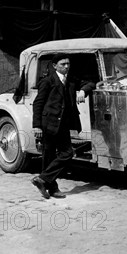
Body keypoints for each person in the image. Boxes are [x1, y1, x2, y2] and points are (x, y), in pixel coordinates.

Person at [31, 53, 95, 199]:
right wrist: (37, 126)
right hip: (48, 124)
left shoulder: (72, 80)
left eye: (68, 64)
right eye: (63, 64)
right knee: (48, 156)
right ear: (55, 66)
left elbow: (92, 83)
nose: (66, 66)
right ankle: (52, 188)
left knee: (67, 153)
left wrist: (84, 91)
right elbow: (38, 103)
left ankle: (42, 179)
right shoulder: (47, 81)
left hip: (63, 125)